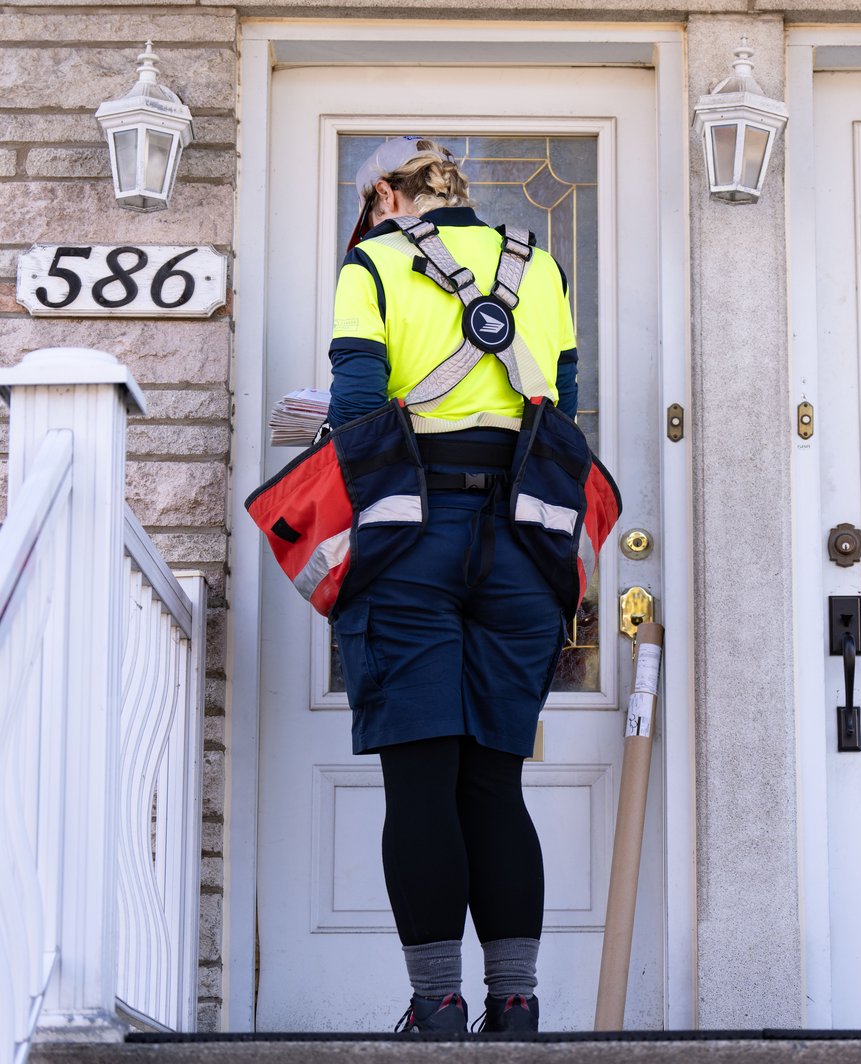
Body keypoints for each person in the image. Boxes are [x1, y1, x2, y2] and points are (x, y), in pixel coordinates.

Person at [327, 136, 580, 1035]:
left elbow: (357, 406)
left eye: (368, 208)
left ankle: (435, 1006)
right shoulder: (540, 266)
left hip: (410, 537)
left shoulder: (374, 263)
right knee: (497, 787)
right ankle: (516, 1006)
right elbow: (564, 408)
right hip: (521, 540)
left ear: (389, 197)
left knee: (421, 784)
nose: (366, 223)